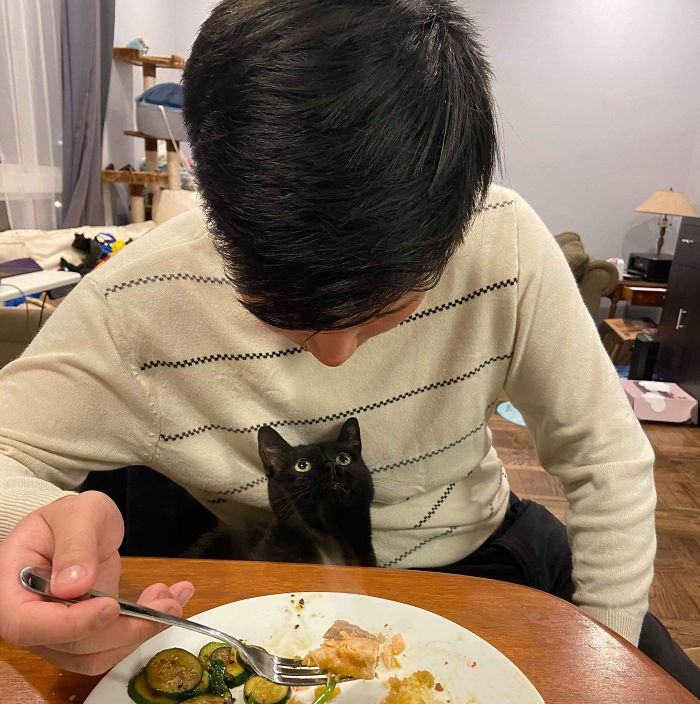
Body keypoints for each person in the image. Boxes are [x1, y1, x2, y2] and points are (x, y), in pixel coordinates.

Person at [0, 0, 697, 696]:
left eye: (387, 311)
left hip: (488, 555)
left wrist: (600, 658)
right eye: (278, 311)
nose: (335, 357)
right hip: (275, 575)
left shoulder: (503, 240)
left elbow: (606, 458)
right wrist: (34, 521)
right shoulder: (135, 303)